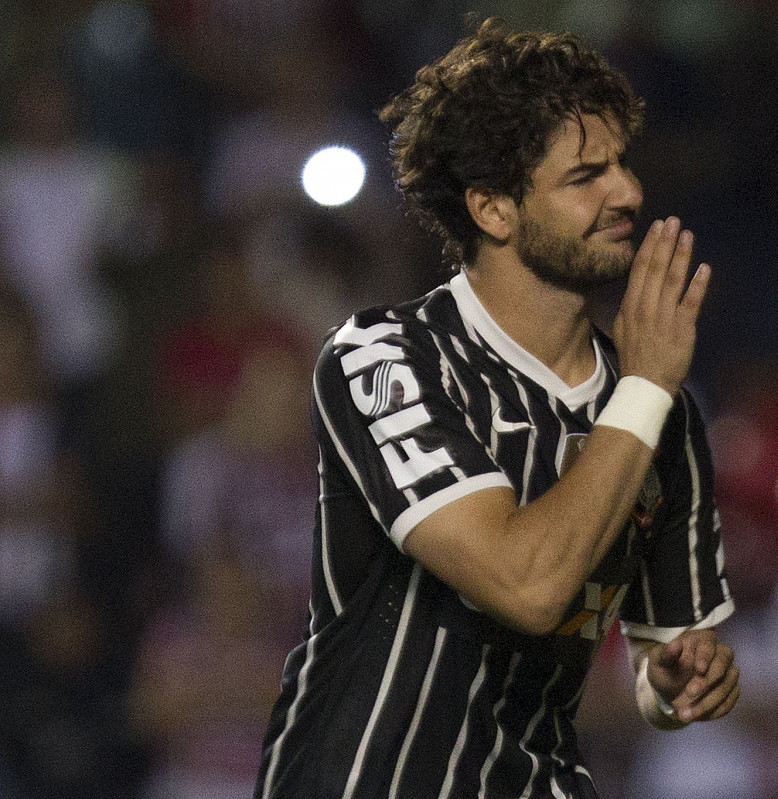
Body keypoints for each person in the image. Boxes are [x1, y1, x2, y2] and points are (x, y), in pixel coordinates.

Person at [254, 18, 739, 799]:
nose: (628, 191)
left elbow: (659, 660)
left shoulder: (663, 417)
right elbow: (526, 584)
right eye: (586, 175)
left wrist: (676, 686)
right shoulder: (383, 359)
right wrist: (645, 389)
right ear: (493, 209)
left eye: (621, 163)